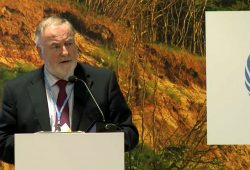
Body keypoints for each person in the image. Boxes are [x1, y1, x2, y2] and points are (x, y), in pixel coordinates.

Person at [0, 16, 139, 164]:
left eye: (69, 43)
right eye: (56, 46)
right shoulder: (16, 90)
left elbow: (129, 133)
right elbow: (2, 143)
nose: (65, 52)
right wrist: (39, 146)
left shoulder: (103, 81)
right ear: (40, 52)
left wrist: (94, 143)